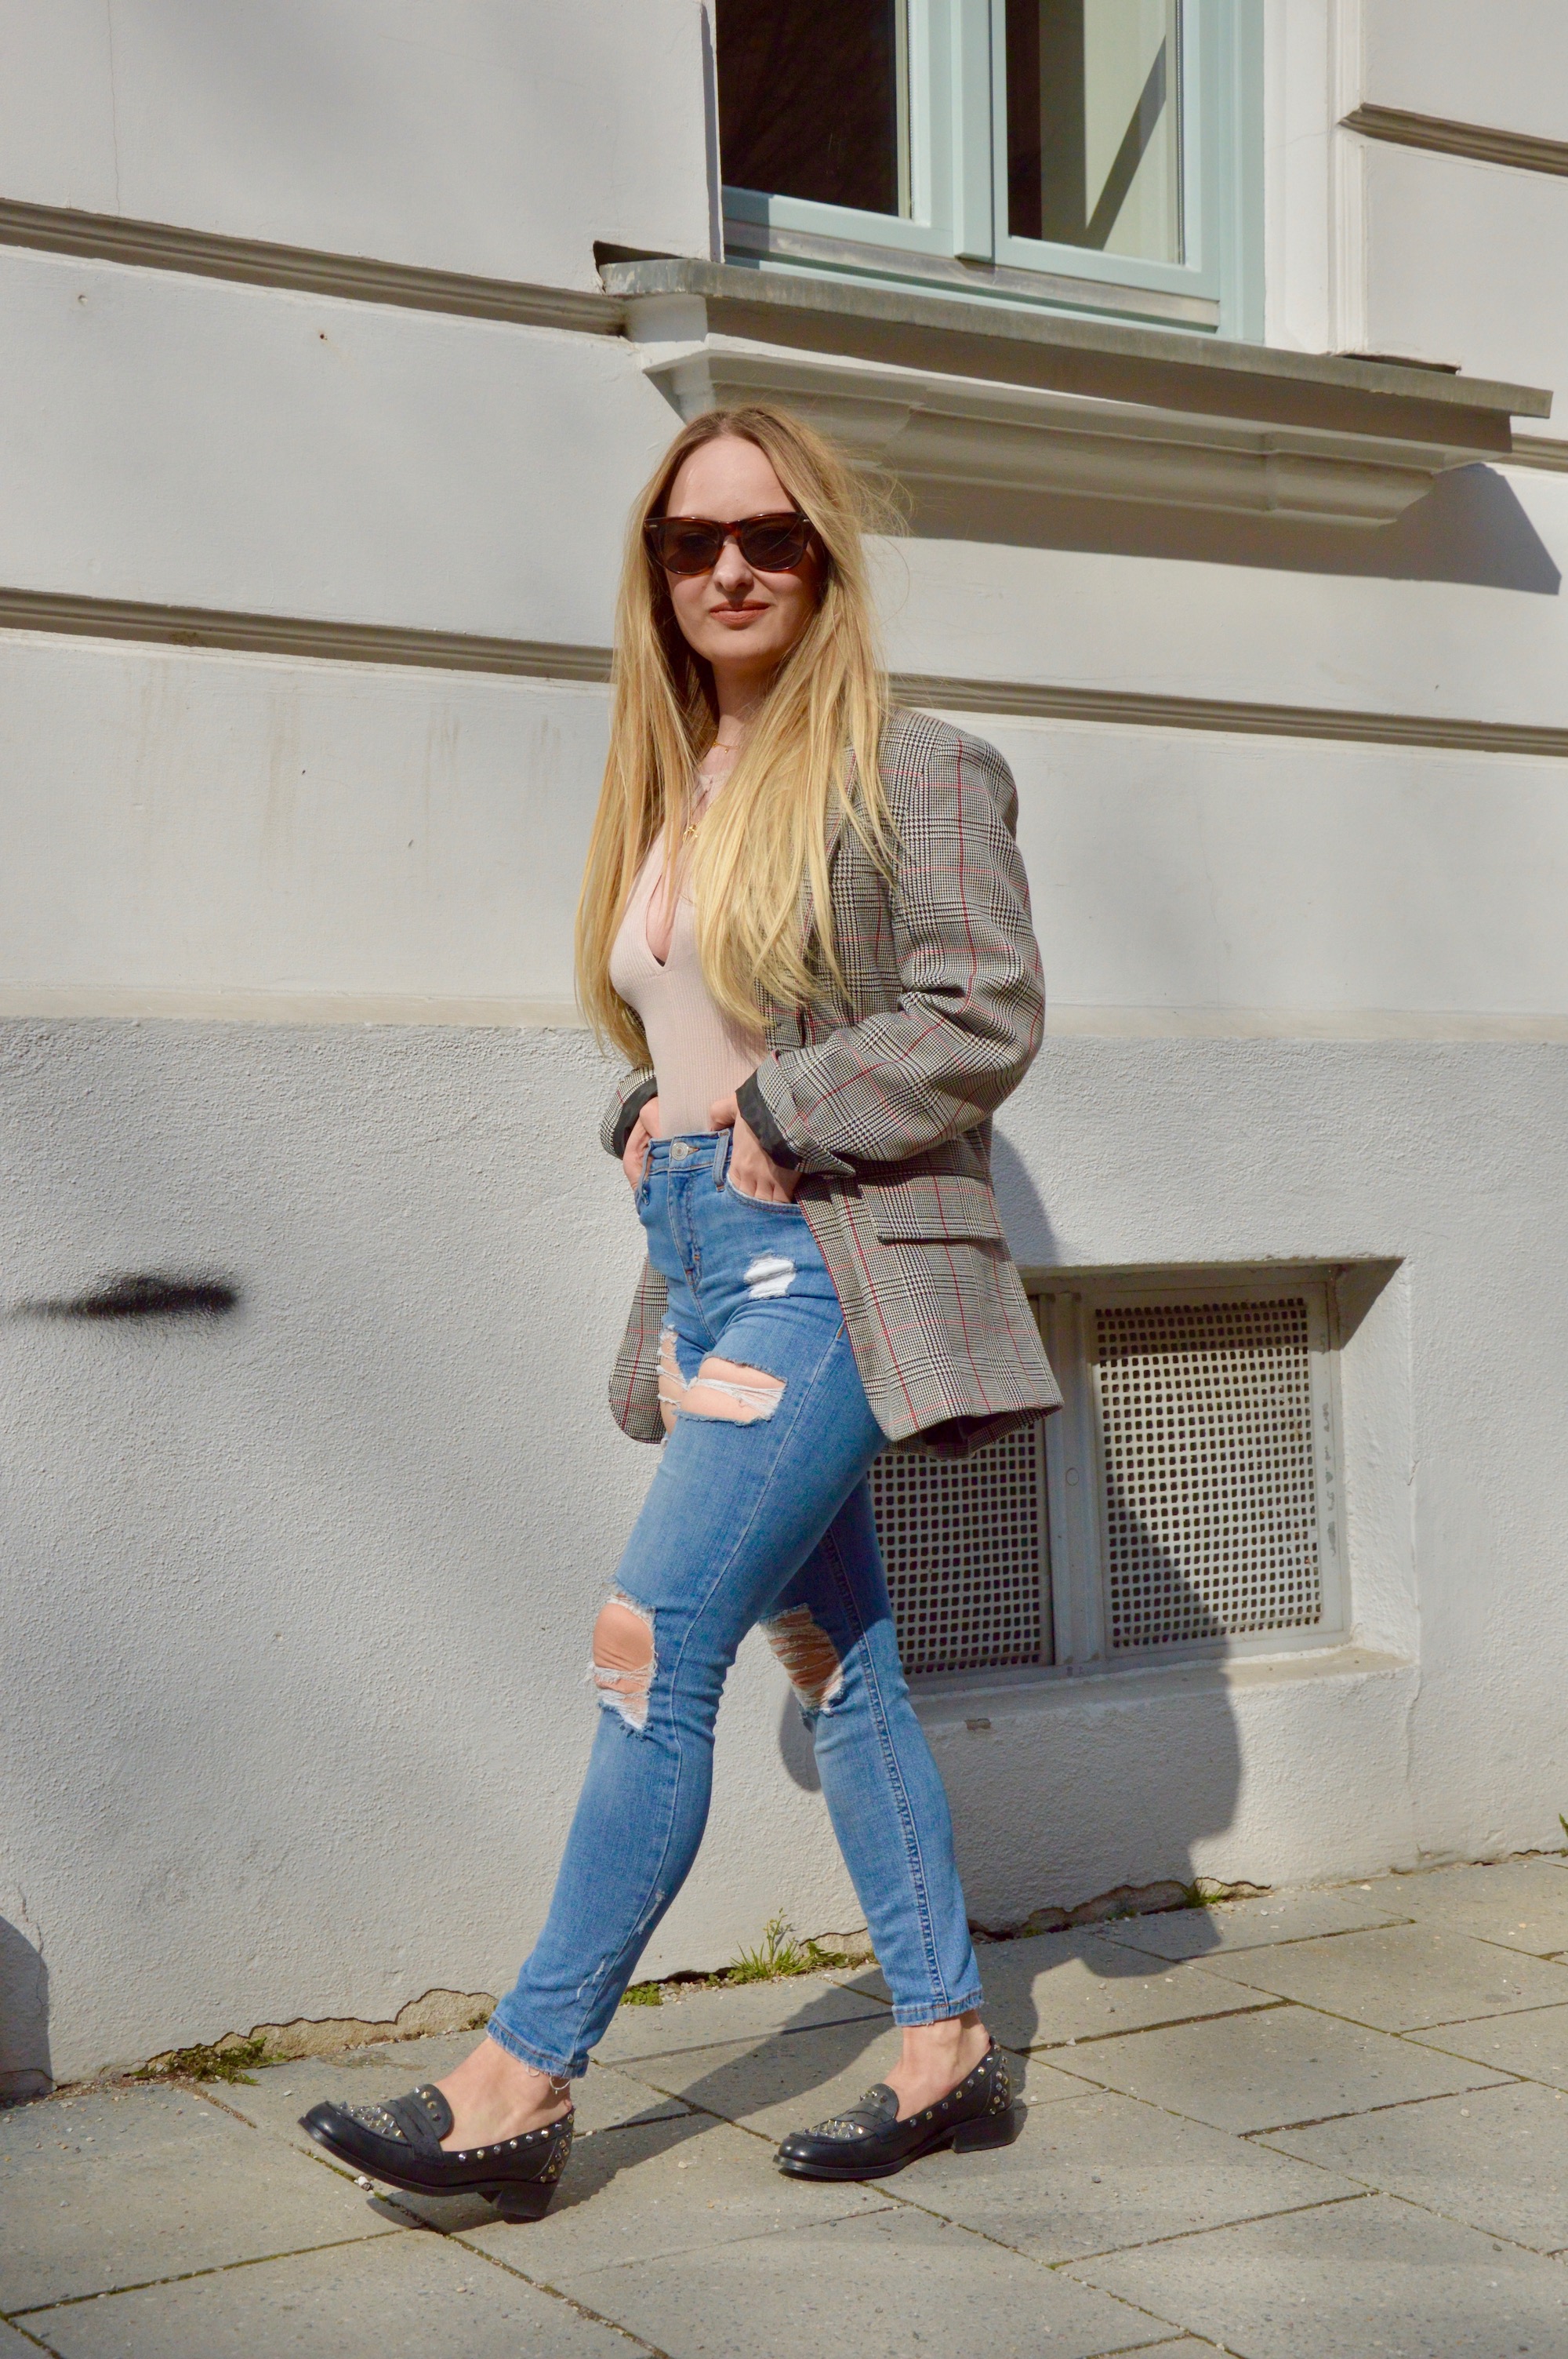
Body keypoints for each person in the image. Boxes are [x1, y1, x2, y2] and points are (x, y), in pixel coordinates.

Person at [303, 404, 1061, 2219]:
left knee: (650, 1641)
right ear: (653, 570)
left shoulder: (914, 766)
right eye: (690, 539)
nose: (729, 568)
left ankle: (519, 2079)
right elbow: (700, 1028)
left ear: (822, 562)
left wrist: (780, 1114)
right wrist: (650, 1111)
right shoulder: (677, 780)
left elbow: (983, 1011)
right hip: (712, 1253)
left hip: (825, 1268)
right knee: (842, 1665)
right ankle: (947, 2045)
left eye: (769, 536)